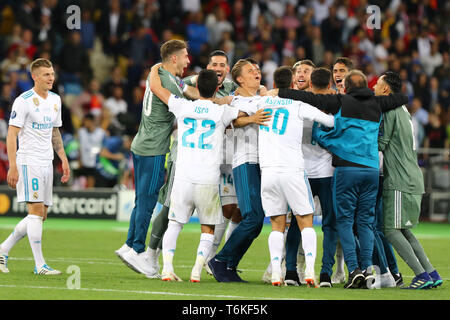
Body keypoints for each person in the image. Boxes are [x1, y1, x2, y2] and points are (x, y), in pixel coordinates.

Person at [275, 69, 409, 288]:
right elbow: (402, 98)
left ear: (346, 87)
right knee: (365, 222)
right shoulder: (378, 103)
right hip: (371, 170)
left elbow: (310, 97)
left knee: (345, 221)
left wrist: (281, 92)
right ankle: (367, 270)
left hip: (347, 169)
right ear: (366, 85)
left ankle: (354, 269)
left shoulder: (342, 101)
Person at [145, 50, 240, 277]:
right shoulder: (222, 111)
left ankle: (167, 268)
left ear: (197, 86)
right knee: (207, 228)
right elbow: (242, 115)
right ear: (217, 87)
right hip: (208, 179)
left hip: (183, 177)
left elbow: (158, 89)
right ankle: (196, 271)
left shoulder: (182, 106)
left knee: (175, 223)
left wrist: (153, 70)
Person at [114, 40, 191, 277]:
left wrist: (192, 78)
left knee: (141, 200)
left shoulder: (157, 74)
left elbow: (180, 84)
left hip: (141, 145)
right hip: (154, 149)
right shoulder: (167, 81)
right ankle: (137, 250)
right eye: (185, 56)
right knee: (147, 202)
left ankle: (128, 245)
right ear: (174, 58)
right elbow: (188, 95)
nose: (188, 61)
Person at [260, 66, 335, 287]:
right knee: (306, 220)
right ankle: (310, 271)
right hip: (293, 170)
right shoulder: (299, 105)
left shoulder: (261, 102)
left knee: (277, 224)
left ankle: (277, 273)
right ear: (292, 83)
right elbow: (330, 122)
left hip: (269, 172)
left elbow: (236, 107)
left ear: (274, 83)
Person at [0, 58, 70, 275]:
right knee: (36, 212)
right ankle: (40, 265)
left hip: (47, 161)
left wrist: (63, 159)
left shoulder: (56, 100)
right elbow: (12, 134)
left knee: (41, 215)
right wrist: (13, 166)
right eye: (46, 75)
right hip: (28, 161)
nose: (51, 78)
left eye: (52, 74)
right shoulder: (24, 101)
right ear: (35, 77)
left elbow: (55, 132)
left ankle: (2, 250)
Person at [375, 71, 443, 289]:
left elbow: (381, 143)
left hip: (399, 180)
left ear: (386, 89)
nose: (374, 87)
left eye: (377, 84)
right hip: (414, 177)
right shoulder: (404, 110)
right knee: (404, 230)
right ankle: (431, 272)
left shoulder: (390, 109)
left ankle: (420, 274)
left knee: (390, 230)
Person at [208, 59, 271, 282]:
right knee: (253, 217)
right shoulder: (235, 100)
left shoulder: (263, 98)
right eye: (250, 70)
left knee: (256, 220)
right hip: (245, 161)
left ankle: (229, 265)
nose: (256, 71)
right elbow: (226, 122)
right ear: (239, 79)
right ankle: (219, 260)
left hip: (263, 163)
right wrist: (251, 118)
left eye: (257, 69)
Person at [77, 113, 105, 188]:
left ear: (92, 122)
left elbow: (104, 146)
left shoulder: (101, 133)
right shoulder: (81, 132)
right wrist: (79, 159)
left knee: (93, 180)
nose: (85, 123)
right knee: (84, 181)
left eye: (87, 121)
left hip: (96, 161)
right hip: (85, 161)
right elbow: (79, 146)